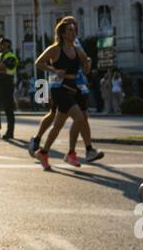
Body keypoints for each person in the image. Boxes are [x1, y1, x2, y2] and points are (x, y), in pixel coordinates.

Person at [33, 17, 101, 169]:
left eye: (74, 29)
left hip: (73, 87)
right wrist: (54, 70)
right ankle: (71, 153)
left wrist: (88, 64)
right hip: (60, 89)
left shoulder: (77, 50)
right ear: (63, 34)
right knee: (79, 117)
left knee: (58, 125)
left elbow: (86, 67)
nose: (74, 32)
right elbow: (39, 62)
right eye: (70, 30)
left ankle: (43, 152)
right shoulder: (55, 49)